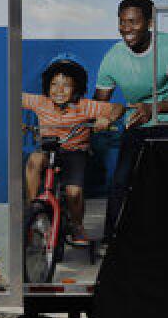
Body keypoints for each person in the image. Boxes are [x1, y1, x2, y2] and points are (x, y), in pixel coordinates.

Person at [94, 0, 168, 243]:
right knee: (121, 180)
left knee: (164, 182)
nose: (126, 29)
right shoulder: (113, 57)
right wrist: (101, 116)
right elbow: (99, 102)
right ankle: (113, 243)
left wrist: (152, 109)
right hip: (137, 122)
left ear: (150, 23)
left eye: (133, 22)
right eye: (121, 22)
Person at [22, 56, 123, 246]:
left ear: (76, 88)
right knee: (34, 160)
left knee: (74, 193)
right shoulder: (40, 102)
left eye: (66, 85)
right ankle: (33, 211)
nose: (59, 90)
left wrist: (106, 119)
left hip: (75, 152)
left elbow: (118, 108)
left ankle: (77, 226)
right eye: (54, 84)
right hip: (48, 149)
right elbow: (13, 96)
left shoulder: (84, 106)